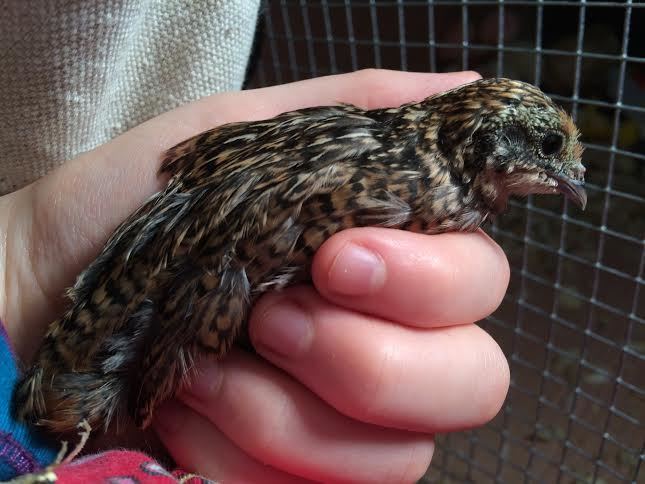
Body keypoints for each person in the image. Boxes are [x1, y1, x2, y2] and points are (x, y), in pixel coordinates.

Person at [0, 68, 510, 483]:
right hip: (101, 377)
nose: (556, 172)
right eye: (547, 147)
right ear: (489, 138)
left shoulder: (384, 155)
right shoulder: (406, 185)